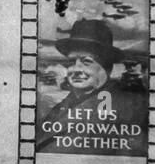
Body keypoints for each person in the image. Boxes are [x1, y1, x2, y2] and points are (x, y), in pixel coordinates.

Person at [37, 18, 147, 156]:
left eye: (87, 61)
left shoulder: (130, 108)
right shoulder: (62, 106)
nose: (76, 69)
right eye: (71, 61)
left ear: (107, 68)